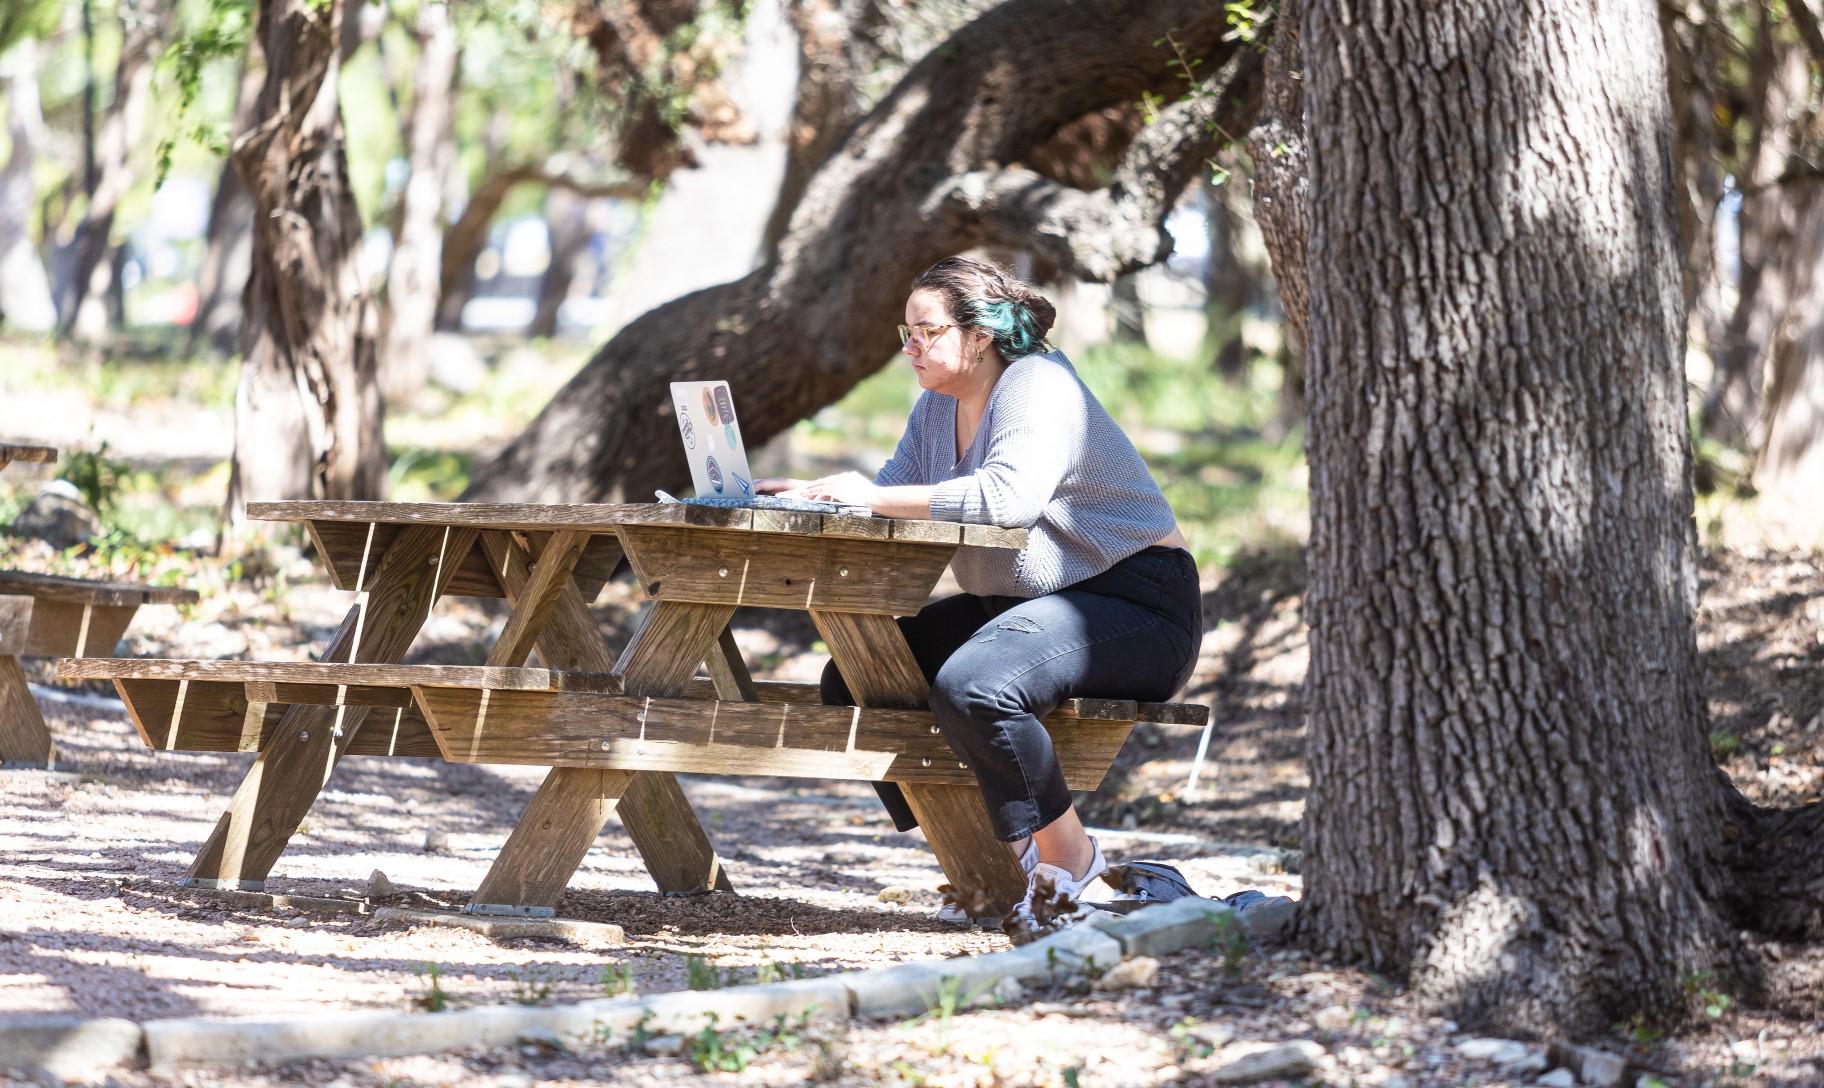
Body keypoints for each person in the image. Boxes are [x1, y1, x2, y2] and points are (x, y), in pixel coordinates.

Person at [757, 255, 1201, 934]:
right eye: (905, 331)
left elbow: (1007, 499)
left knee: (977, 687)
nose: (910, 346)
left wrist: (871, 496)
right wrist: (819, 499)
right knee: (862, 673)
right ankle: (991, 865)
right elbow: (894, 498)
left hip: (1135, 603)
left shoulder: (1037, 385)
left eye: (925, 331)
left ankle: (1068, 865)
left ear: (980, 335)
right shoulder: (937, 407)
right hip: (1027, 605)